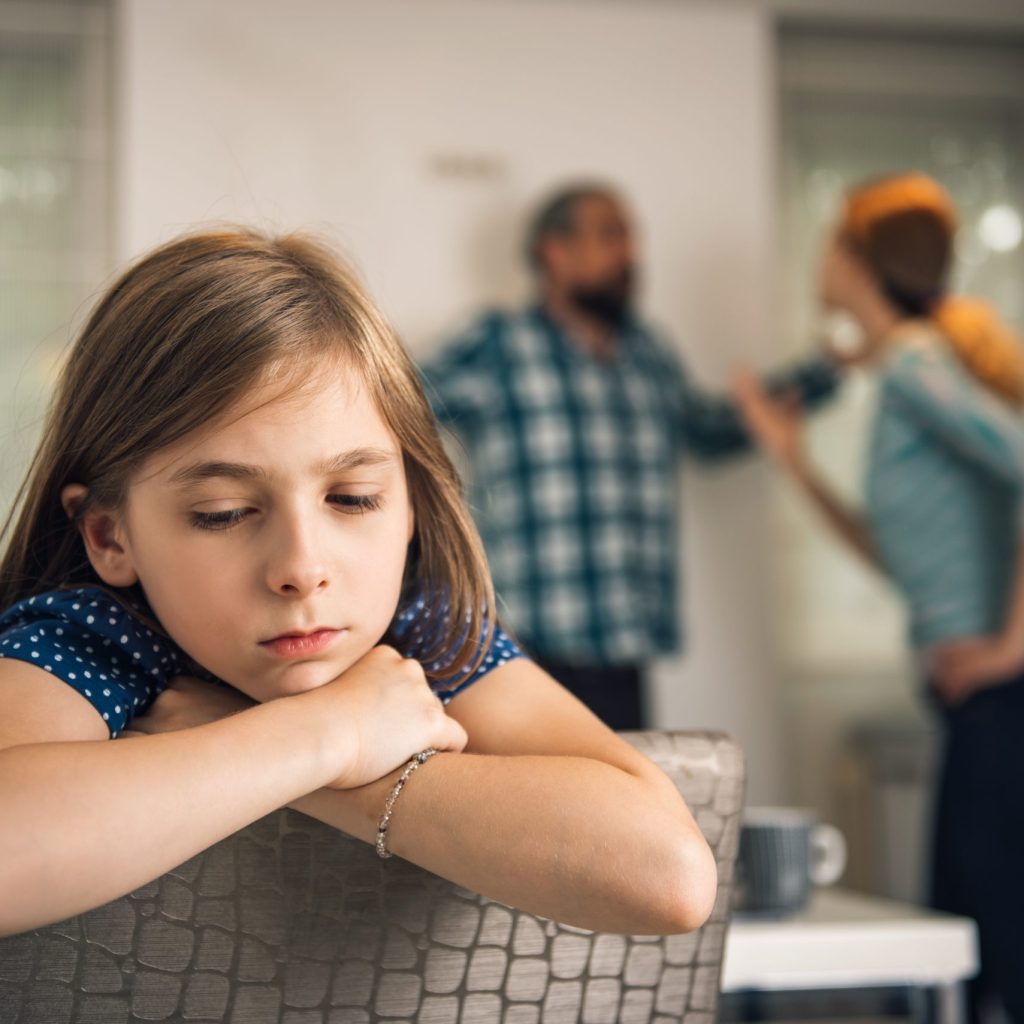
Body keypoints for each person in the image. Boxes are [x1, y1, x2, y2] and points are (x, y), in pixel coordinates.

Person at [0, 228, 718, 939]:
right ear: (109, 536)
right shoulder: (97, 636)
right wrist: (326, 734)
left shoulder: (423, 632)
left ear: (410, 504)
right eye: (223, 514)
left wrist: (301, 761)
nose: (302, 568)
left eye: (352, 499)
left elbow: (668, 875)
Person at [733, 173, 1024, 1023]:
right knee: (965, 947)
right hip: (973, 703)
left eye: (830, 240)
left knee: (985, 948)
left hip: (1003, 697)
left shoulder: (911, 368)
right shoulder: (908, 368)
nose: (821, 257)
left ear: (857, 260)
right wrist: (791, 460)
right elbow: (895, 556)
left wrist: (1012, 644)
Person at [421, 182, 840, 729]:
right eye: (612, 235)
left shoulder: (648, 352)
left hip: (627, 649)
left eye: (630, 237)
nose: (631, 254)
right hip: (521, 652)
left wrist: (821, 374)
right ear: (554, 250)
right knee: (536, 812)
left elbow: (709, 431)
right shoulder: (499, 342)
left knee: (618, 807)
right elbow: (402, 405)